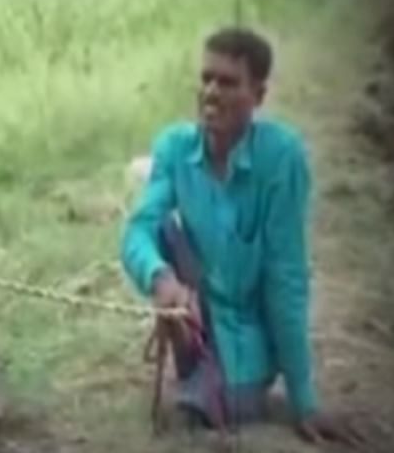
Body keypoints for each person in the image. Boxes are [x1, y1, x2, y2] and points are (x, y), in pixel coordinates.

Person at [119, 26, 363, 445]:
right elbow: (137, 231)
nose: (211, 92)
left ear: (259, 96)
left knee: (216, 410)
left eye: (228, 82)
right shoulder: (175, 147)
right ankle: (192, 357)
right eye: (206, 78)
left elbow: (286, 279)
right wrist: (161, 278)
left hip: (247, 333)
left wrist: (304, 401)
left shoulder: (282, 158)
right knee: (159, 228)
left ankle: (221, 376)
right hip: (192, 311)